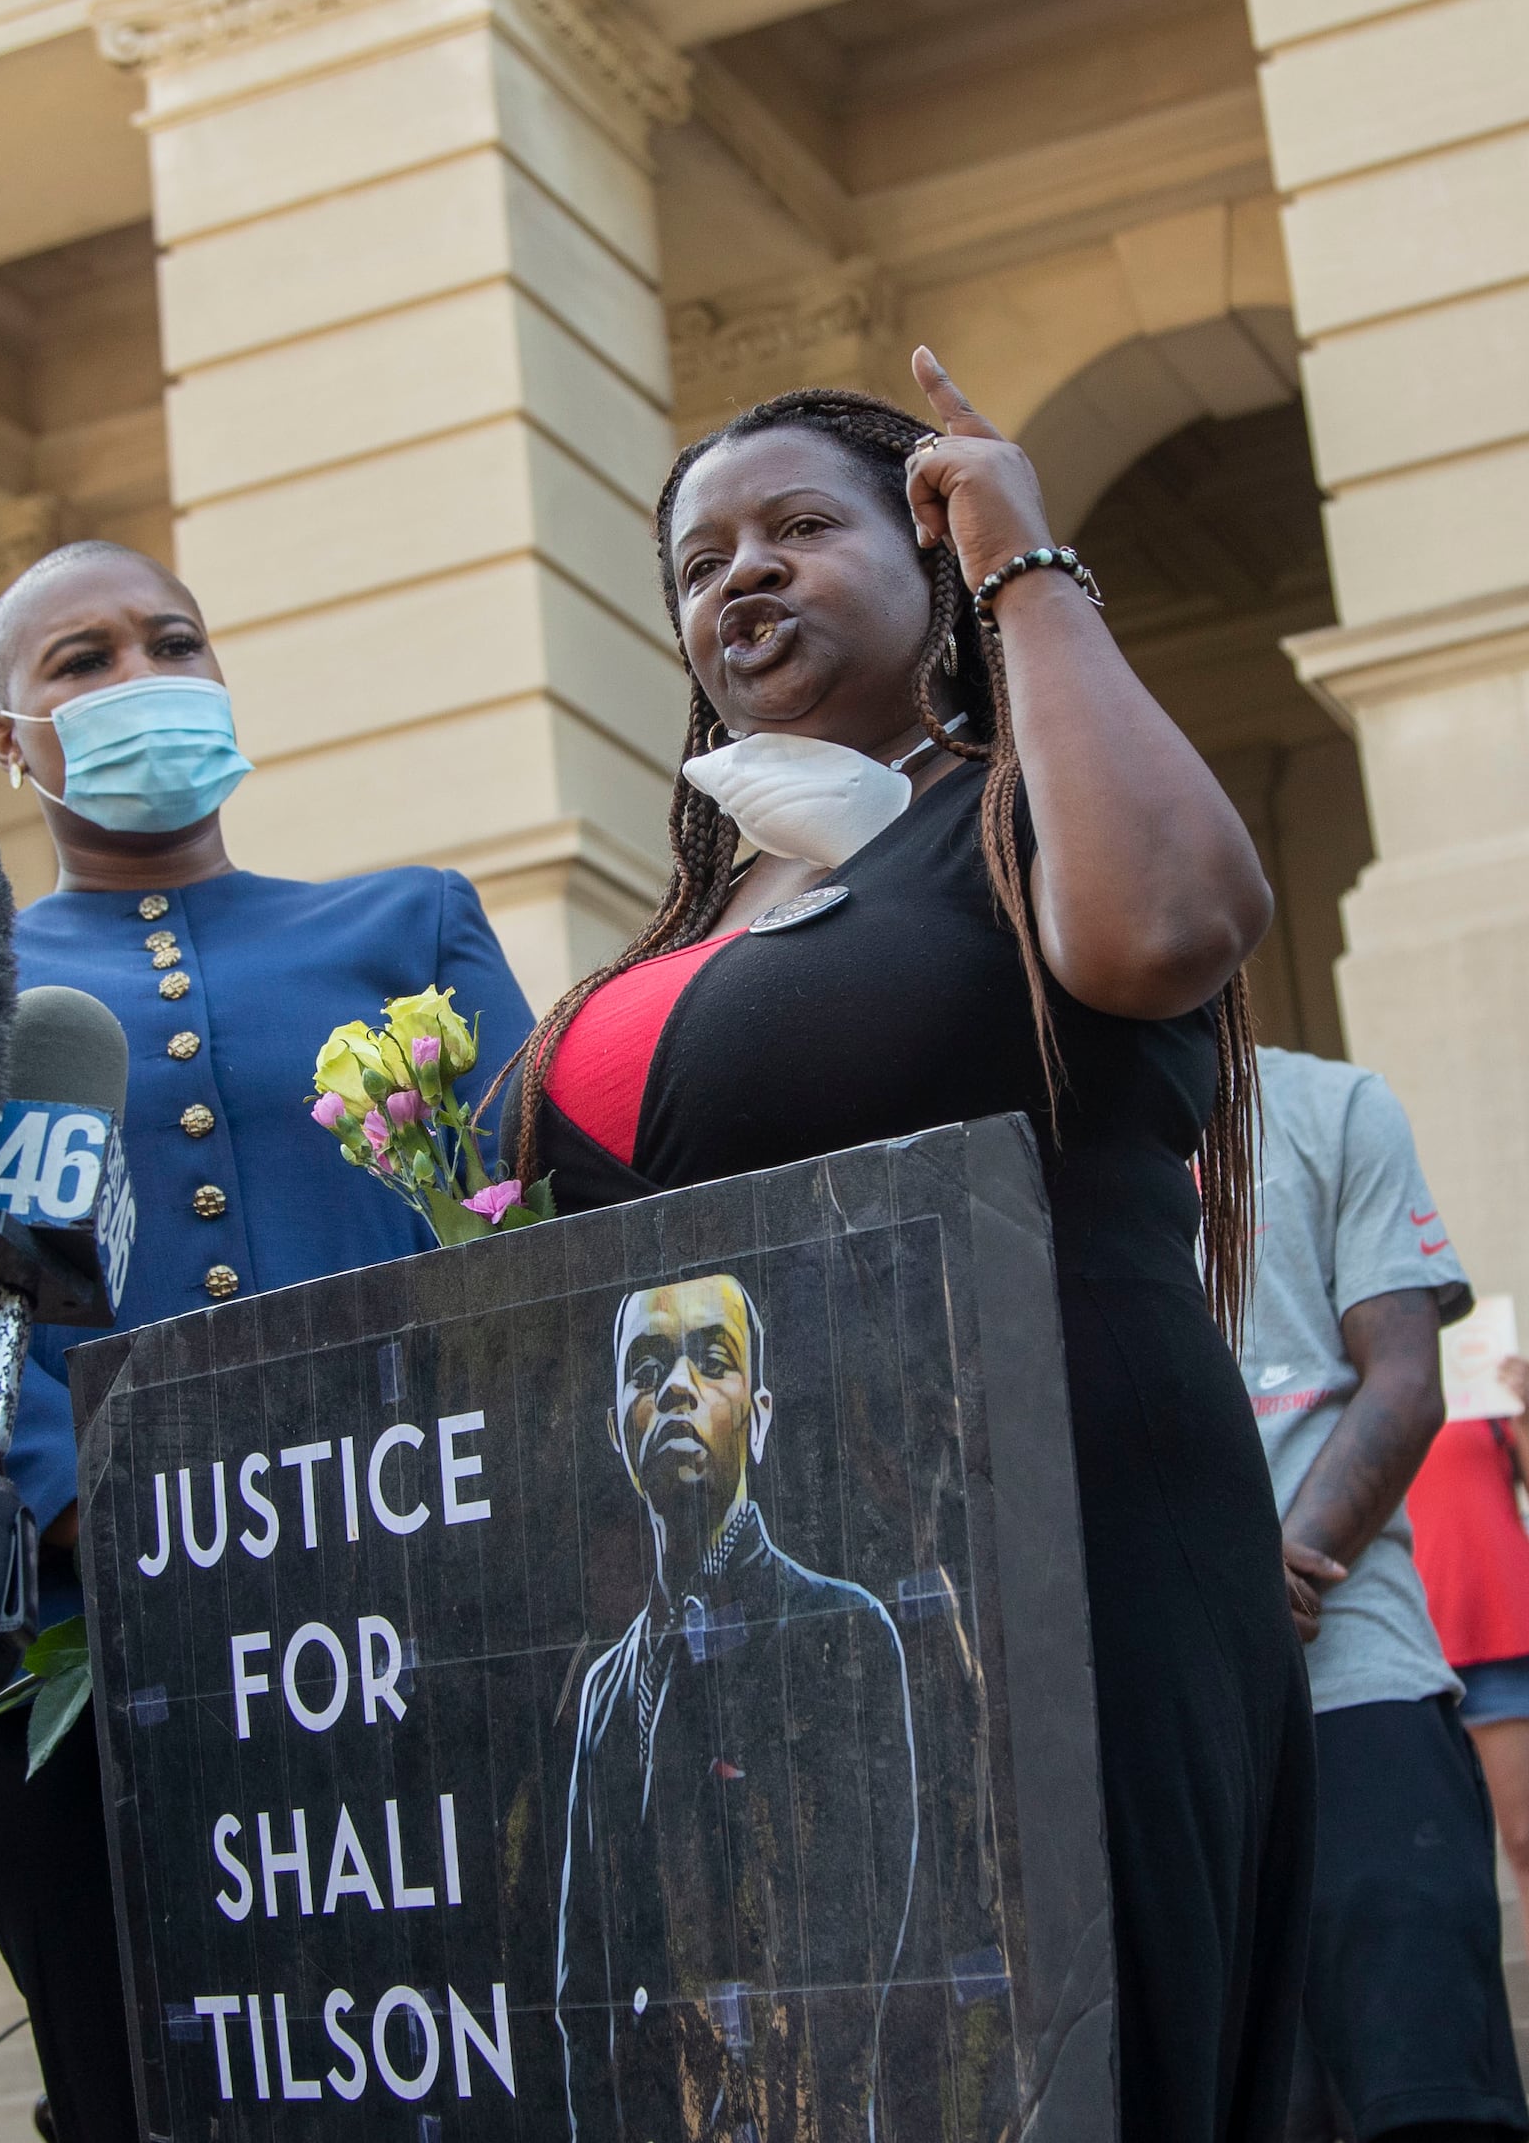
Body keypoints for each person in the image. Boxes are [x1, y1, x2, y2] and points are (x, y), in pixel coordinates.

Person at [514, 355, 1302, 2141]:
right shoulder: (700, 908)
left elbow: (1174, 924)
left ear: (930, 553)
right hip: (740, 1643)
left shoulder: (1021, 816)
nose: (746, 574)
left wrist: (1029, 563)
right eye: (703, 559)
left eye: (804, 526)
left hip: (1051, 1554)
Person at [0, 537, 532, 2143]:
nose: (139, 679)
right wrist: (81, 1499)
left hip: (419, 1599)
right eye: (81, 663)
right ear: (11, 744)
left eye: (172, 641)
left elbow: (528, 1216)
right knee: (146, 2084)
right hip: (79, 1641)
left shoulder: (410, 923)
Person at [1238, 1046, 1528, 2143]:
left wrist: (1271, 1574)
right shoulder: (1026, 1119)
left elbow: (1404, 1379)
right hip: (1151, 1720)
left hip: (1352, 1682)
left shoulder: (1332, 1105)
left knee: (1425, 2104)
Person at [555, 1271, 918, 2136]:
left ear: (758, 1417)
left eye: (711, 1363)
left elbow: (858, 1959)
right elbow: (581, 1992)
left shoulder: (841, 1631)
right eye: (646, 1371)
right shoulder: (605, 1688)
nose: (675, 1388)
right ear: (616, 1430)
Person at [1411, 1355, 1529, 2090]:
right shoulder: (1364, 1370)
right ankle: (1457, 2061)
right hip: (1411, 1645)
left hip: (1506, 1639)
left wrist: (1526, 1413)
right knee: (1428, 1863)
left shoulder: (1483, 1374)